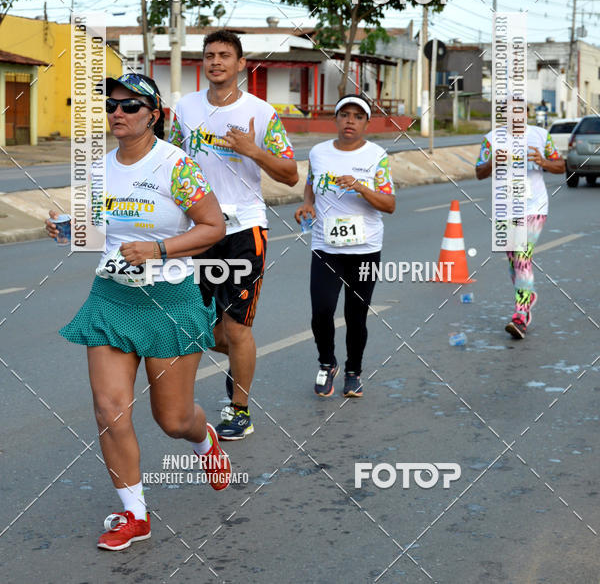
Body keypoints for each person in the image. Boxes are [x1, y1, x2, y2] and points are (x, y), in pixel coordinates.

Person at [46, 73, 231, 552]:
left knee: (173, 419)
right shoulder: (97, 169)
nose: (117, 113)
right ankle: (135, 514)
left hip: (169, 302)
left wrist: (158, 249)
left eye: (130, 105)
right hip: (112, 299)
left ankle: (204, 439)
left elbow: (213, 227)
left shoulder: (177, 166)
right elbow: (96, 232)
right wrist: (69, 229)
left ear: (154, 115)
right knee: (109, 410)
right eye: (111, 105)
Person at [169, 31, 298, 440]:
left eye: (225, 55)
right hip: (197, 231)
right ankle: (242, 361)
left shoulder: (261, 113)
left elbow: (290, 174)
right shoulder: (185, 109)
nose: (216, 61)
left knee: (237, 327)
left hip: (243, 229)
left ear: (241, 64)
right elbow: (169, 161)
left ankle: (239, 409)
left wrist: (253, 150)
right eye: (209, 55)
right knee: (200, 327)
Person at [294, 94, 395, 398]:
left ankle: (354, 372)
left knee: (356, 315)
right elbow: (311, 184)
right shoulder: (318, 152)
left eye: (358, 116)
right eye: (345, 115)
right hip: (326, 246)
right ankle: (327, 363)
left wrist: (360, 186)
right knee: (321, 311)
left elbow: (389, 204)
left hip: (365, 249)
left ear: (366, 123)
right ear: (336, 119)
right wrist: (307, 204)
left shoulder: (376, 155)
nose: (351, 121)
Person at [475, 102, 564, 338]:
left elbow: (561, 165)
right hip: (505, 209)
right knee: (514, 260)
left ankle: (520, 315)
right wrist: (493, 162)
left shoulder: (541, 136)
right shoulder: (491, 139)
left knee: (522, 256)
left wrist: (543, 162)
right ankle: (528, 295)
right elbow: (479, 172)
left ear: (526, 113)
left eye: (520, 111)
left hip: (534, 206)